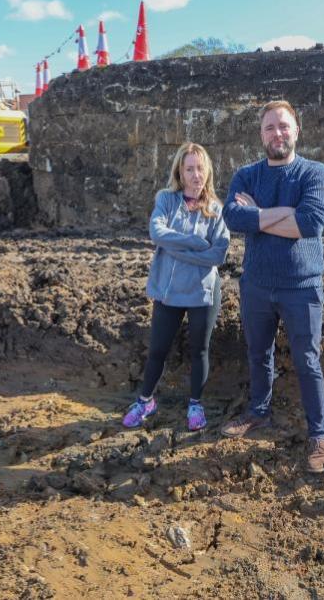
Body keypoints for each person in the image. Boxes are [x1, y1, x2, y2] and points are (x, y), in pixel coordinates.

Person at [220, 100, 324, 474]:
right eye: (270, 128)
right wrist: (284, 214)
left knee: (307, 360)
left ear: (296, 130)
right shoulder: (247, 175)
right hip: (256, 284)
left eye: (284, 126)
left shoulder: (315, 174)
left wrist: (258, 216)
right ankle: (258, 411)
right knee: (258, 352)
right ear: (261, 134)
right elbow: (233, 216)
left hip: (301, 286)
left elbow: (311, 224)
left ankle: (319, 435)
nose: (277, 134)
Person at [123, 142, 230, 431]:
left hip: (202, 292)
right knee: (158, 349)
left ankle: (196, 404)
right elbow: (157, 232)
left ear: (207, 171)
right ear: (180, 173)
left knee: (200, 350)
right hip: (168, 292)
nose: (196, 175)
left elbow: (219, 254)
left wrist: (175, 247)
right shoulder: (167, 200)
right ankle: (145, 400)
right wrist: (196, 244)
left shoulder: (216, 209)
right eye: (189, 168)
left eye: (200, 168)